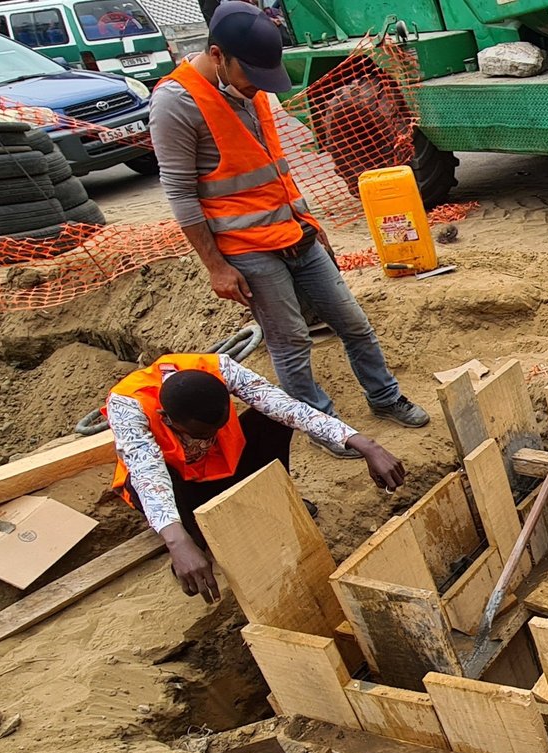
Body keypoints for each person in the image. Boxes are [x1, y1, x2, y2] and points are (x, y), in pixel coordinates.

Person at [150, 2, 430, 453]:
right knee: (291, 342)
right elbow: (181, 195)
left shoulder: (251, 87)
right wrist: (216, 267)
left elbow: (274, 169)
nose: (260, 85)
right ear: (219, 55)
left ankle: (384, 397)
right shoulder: (176, 103)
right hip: (247, 249)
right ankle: (323, 427)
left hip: (294, 232)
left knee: (353, 323)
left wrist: (309, 220)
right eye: (251, 75)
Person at [106, 354, 408, 603]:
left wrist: (364, 443)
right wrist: (177, 541)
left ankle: (273, 497)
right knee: (155, 492)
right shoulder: (128, 405)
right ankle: (194, 539)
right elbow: (148, 472)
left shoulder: (219, 368)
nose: (209, 439)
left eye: (216, 428)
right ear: (167, 417)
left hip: (225, 467)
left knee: (271, 420)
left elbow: (288, 408)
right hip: (178, 487)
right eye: (200, 434)